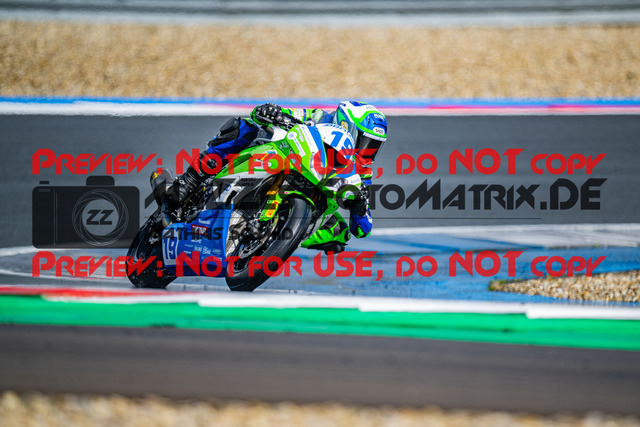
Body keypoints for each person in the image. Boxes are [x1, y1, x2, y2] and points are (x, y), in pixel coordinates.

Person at [165, 101, 388, 253]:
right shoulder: (319, 117)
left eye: (374, 147)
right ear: (347, 125)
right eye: (366, 143)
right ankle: (190, 180)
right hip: (290, 162)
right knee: (245, 128)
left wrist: (359, 206)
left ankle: (280, 238)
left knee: (340, 232)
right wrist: (273, 113)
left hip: (315, 197)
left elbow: (363, 228)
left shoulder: (362, 171)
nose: (367, 152)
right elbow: (270, 113)